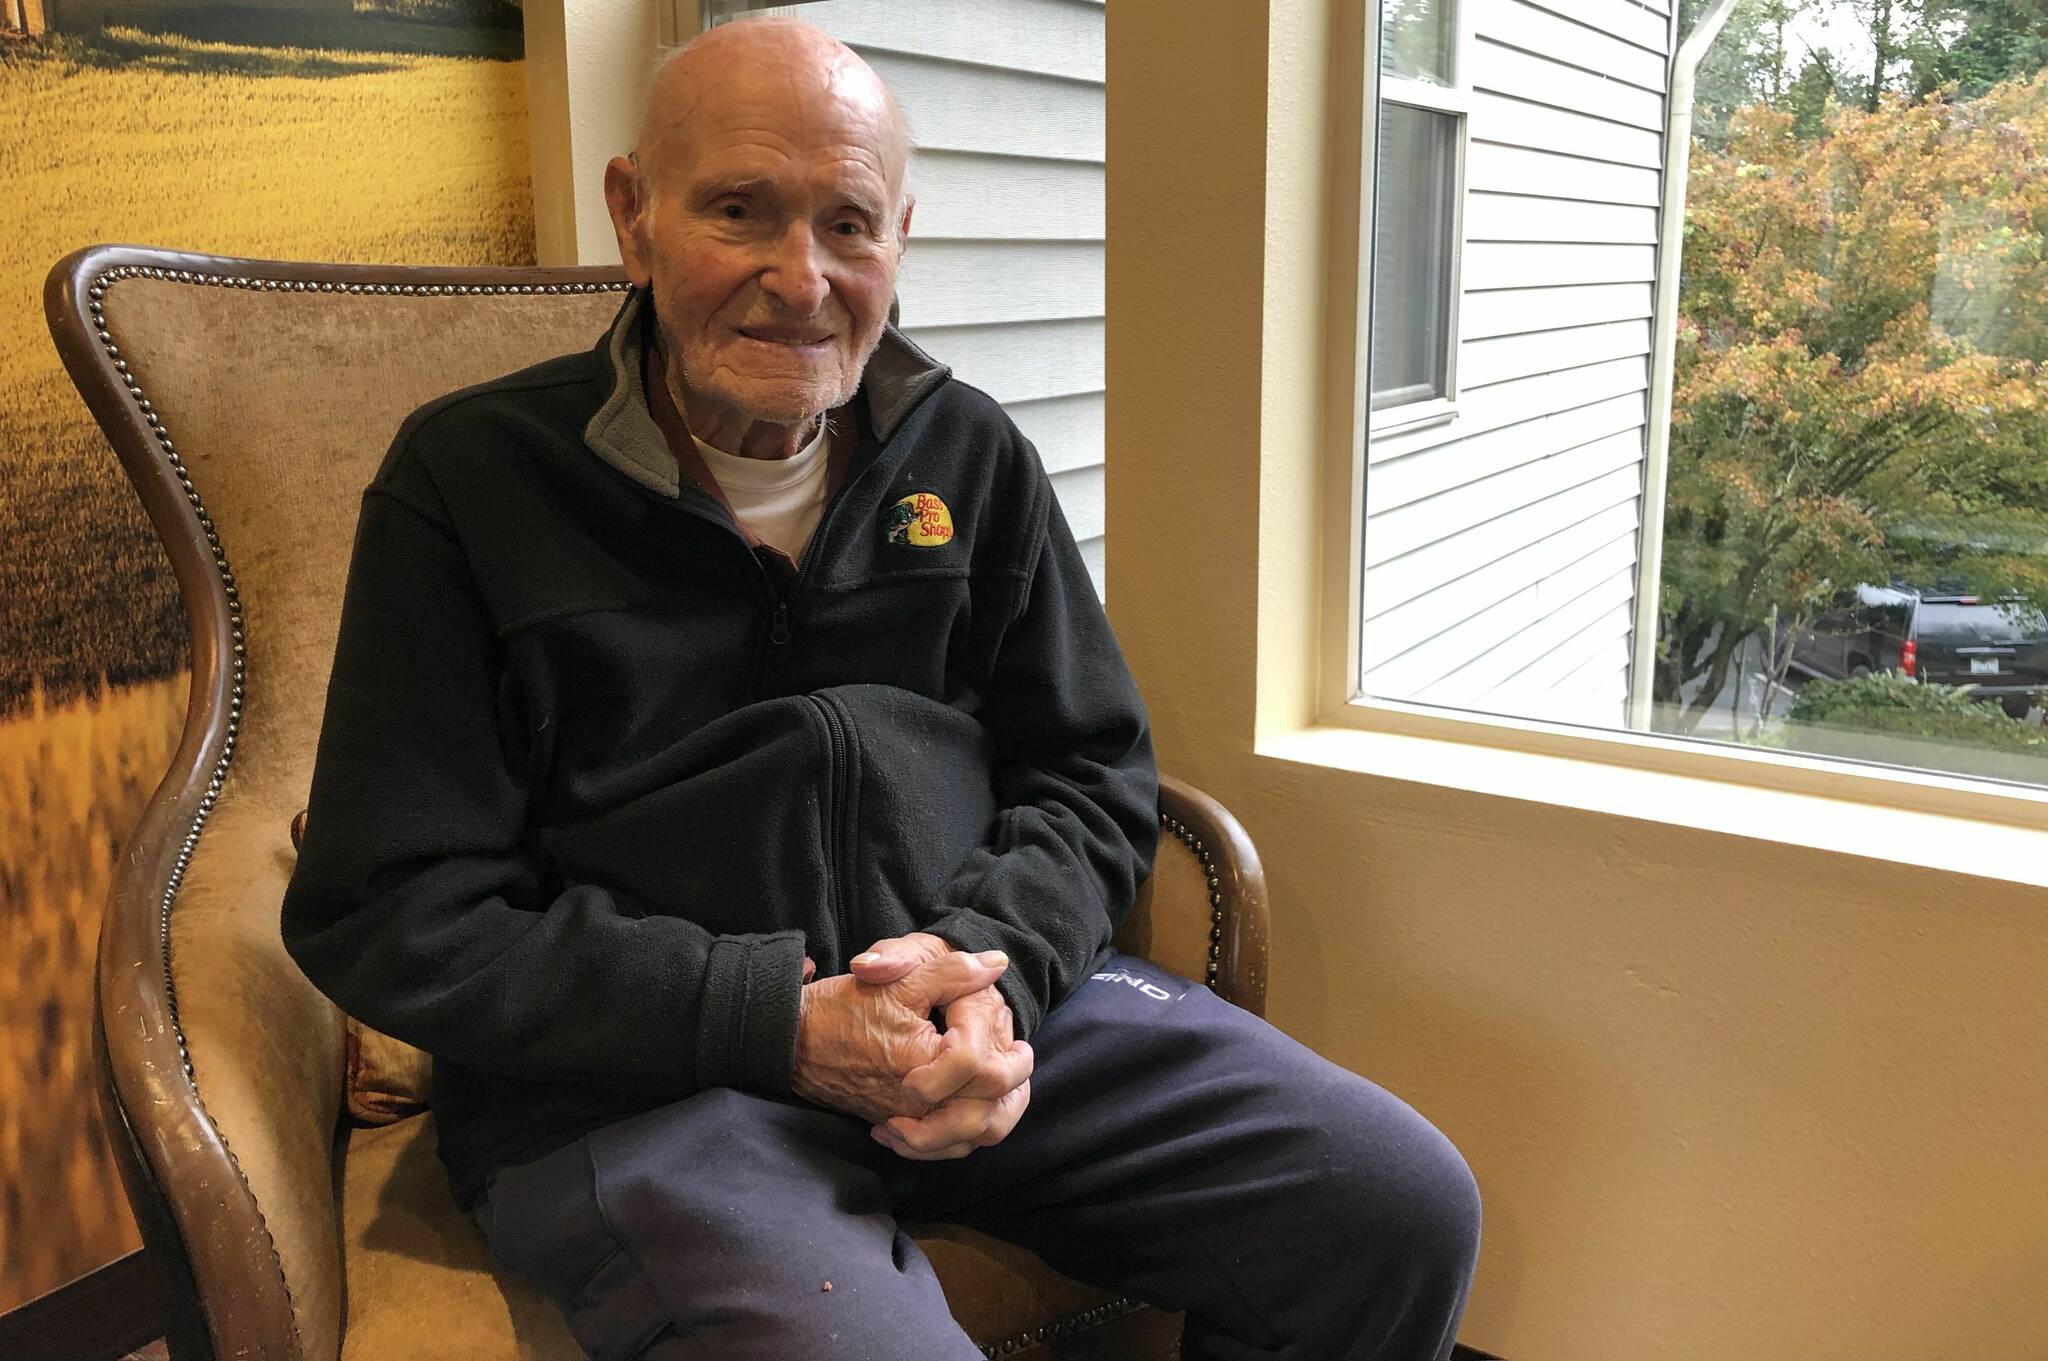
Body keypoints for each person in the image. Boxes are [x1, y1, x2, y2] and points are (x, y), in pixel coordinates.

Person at [281, 17, 1481, 1360]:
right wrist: (768, 1018)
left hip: (969, 1025)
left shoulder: (965, 454)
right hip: (636, 1084)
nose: (801, 279)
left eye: (848, 224)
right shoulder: (470, 484)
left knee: (1396, 1202)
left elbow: (1090, 770)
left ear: (899, 237)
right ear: (635, 216)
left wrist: (998, 976)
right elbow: (390, 909)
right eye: (740, 210)